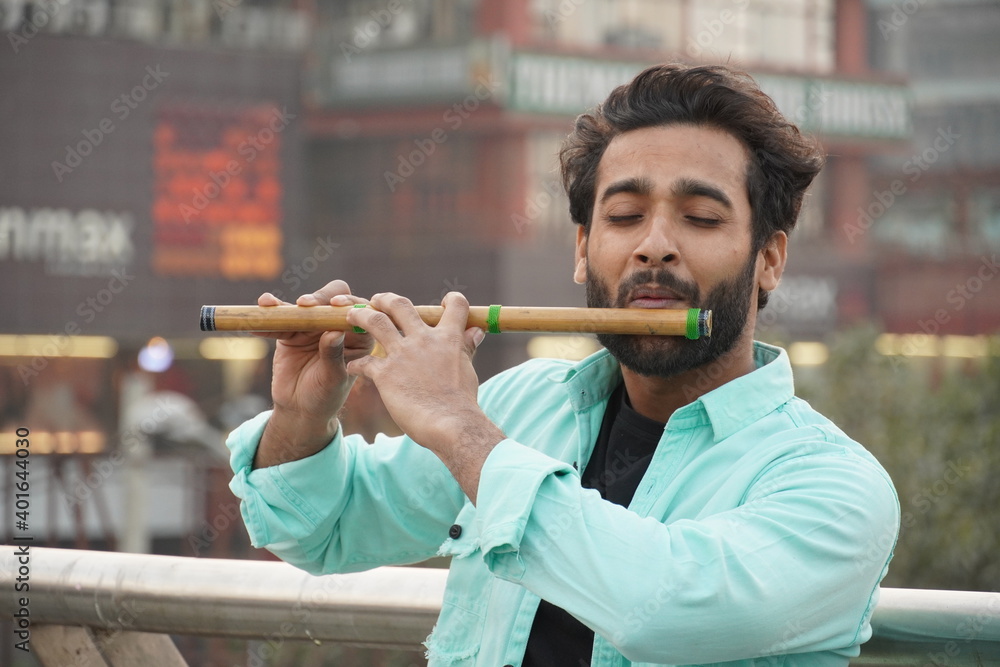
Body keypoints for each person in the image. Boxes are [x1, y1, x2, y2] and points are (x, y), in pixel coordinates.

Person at [226, 63, 900, 666]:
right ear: (583, 247)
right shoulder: (522, 404)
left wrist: (460, 429)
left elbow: (665, 608)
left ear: (771, 258)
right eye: (625, 215)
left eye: (699, 217)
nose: (654, 247)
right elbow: (327, 526)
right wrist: (302, 416)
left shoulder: (835, 489)